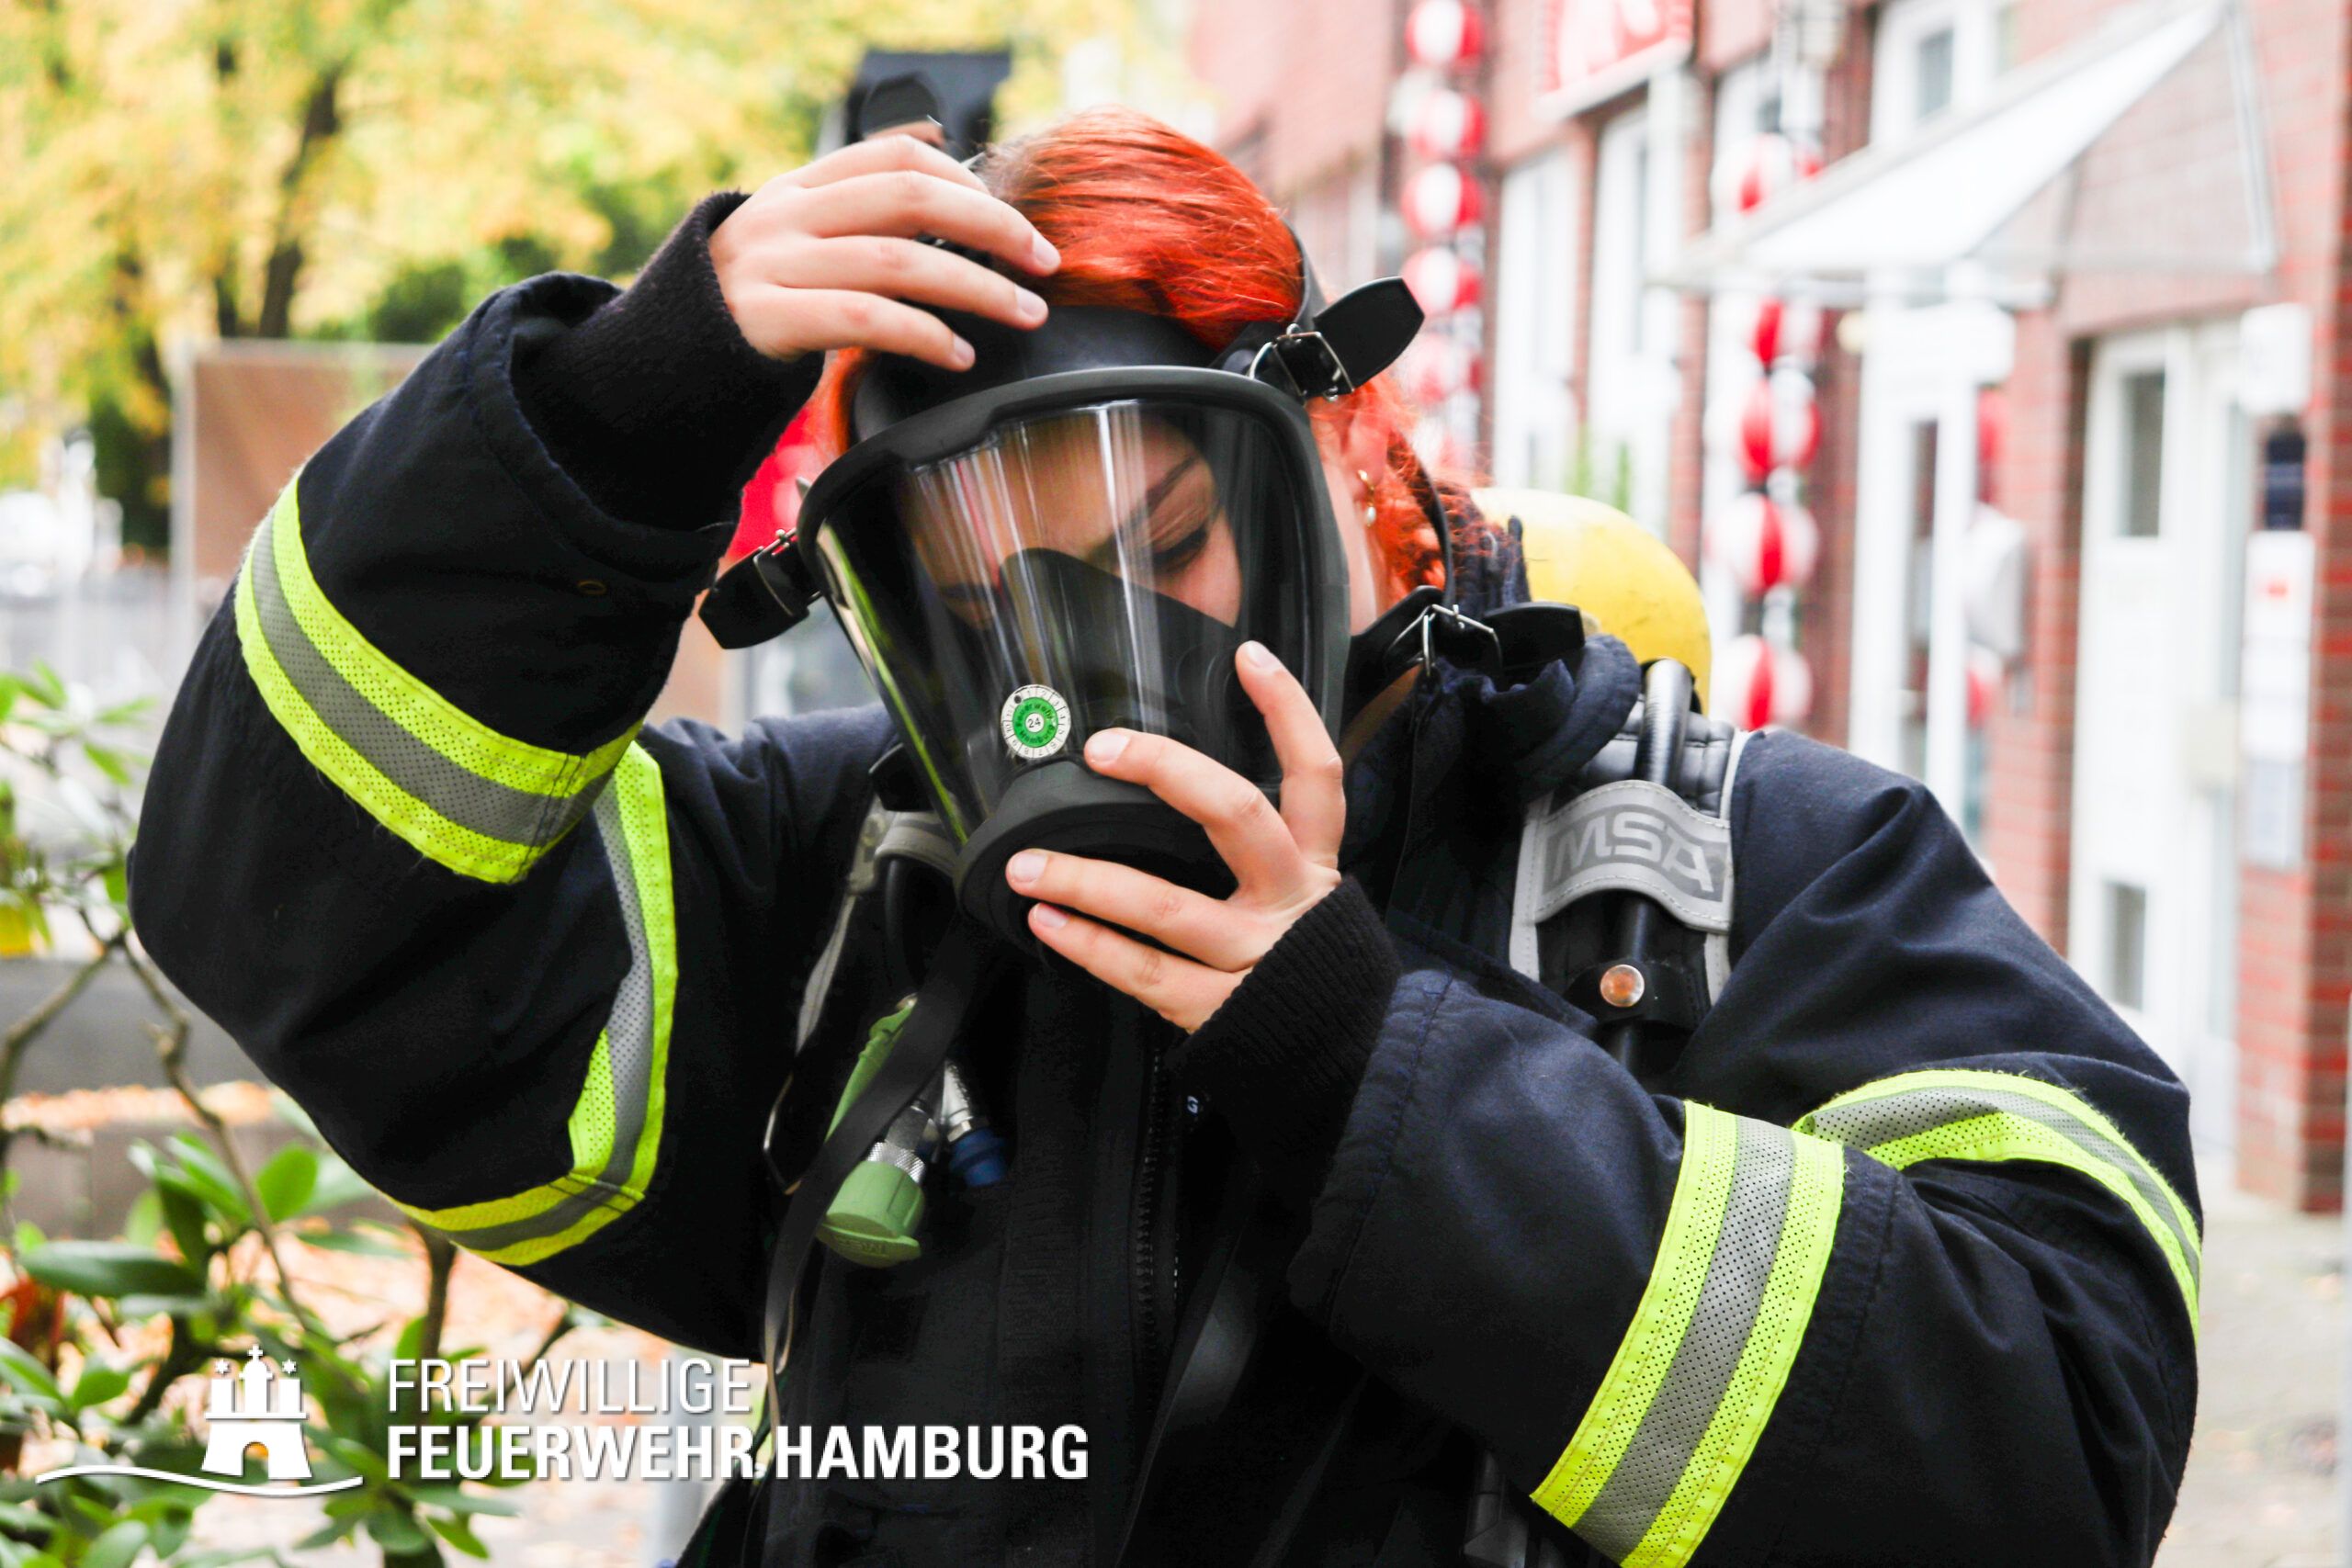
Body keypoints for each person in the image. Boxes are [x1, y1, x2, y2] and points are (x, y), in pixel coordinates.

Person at [130, 106, 2199, 1567]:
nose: (1092, 688)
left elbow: (2056, 1441)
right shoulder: (852, 889)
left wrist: (1373, 1068)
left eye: (1169, 544)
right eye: (983, 608)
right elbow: (298, 902)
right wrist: (611, 414)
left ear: (1345, 443)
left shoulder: (1756, 875)